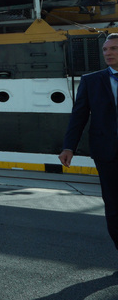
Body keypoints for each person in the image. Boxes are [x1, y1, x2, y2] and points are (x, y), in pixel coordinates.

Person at [61, 33, 118, 251]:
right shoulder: (91, 80)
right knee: (113, 206)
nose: (108, 53)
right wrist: (69, 147)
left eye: (113, 48)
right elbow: (79, 116)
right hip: (107, 153)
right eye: (105, 50)